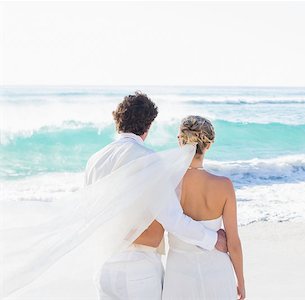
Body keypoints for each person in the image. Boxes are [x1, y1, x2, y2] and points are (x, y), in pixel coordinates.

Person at [85, 93, 228, 300]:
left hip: (104, 268)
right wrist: (213, 238)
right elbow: (173, 219)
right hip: (139, 271)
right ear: (148, 125)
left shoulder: (94, 160)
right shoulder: (148, 160)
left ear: (118, 121)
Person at [162, 116, 245, 300]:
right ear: (209, 145)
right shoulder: (224, 186)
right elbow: (233, 242)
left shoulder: (168, 182)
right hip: (217, 269)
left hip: (179, 272)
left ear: (180, 142)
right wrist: (241, 281)